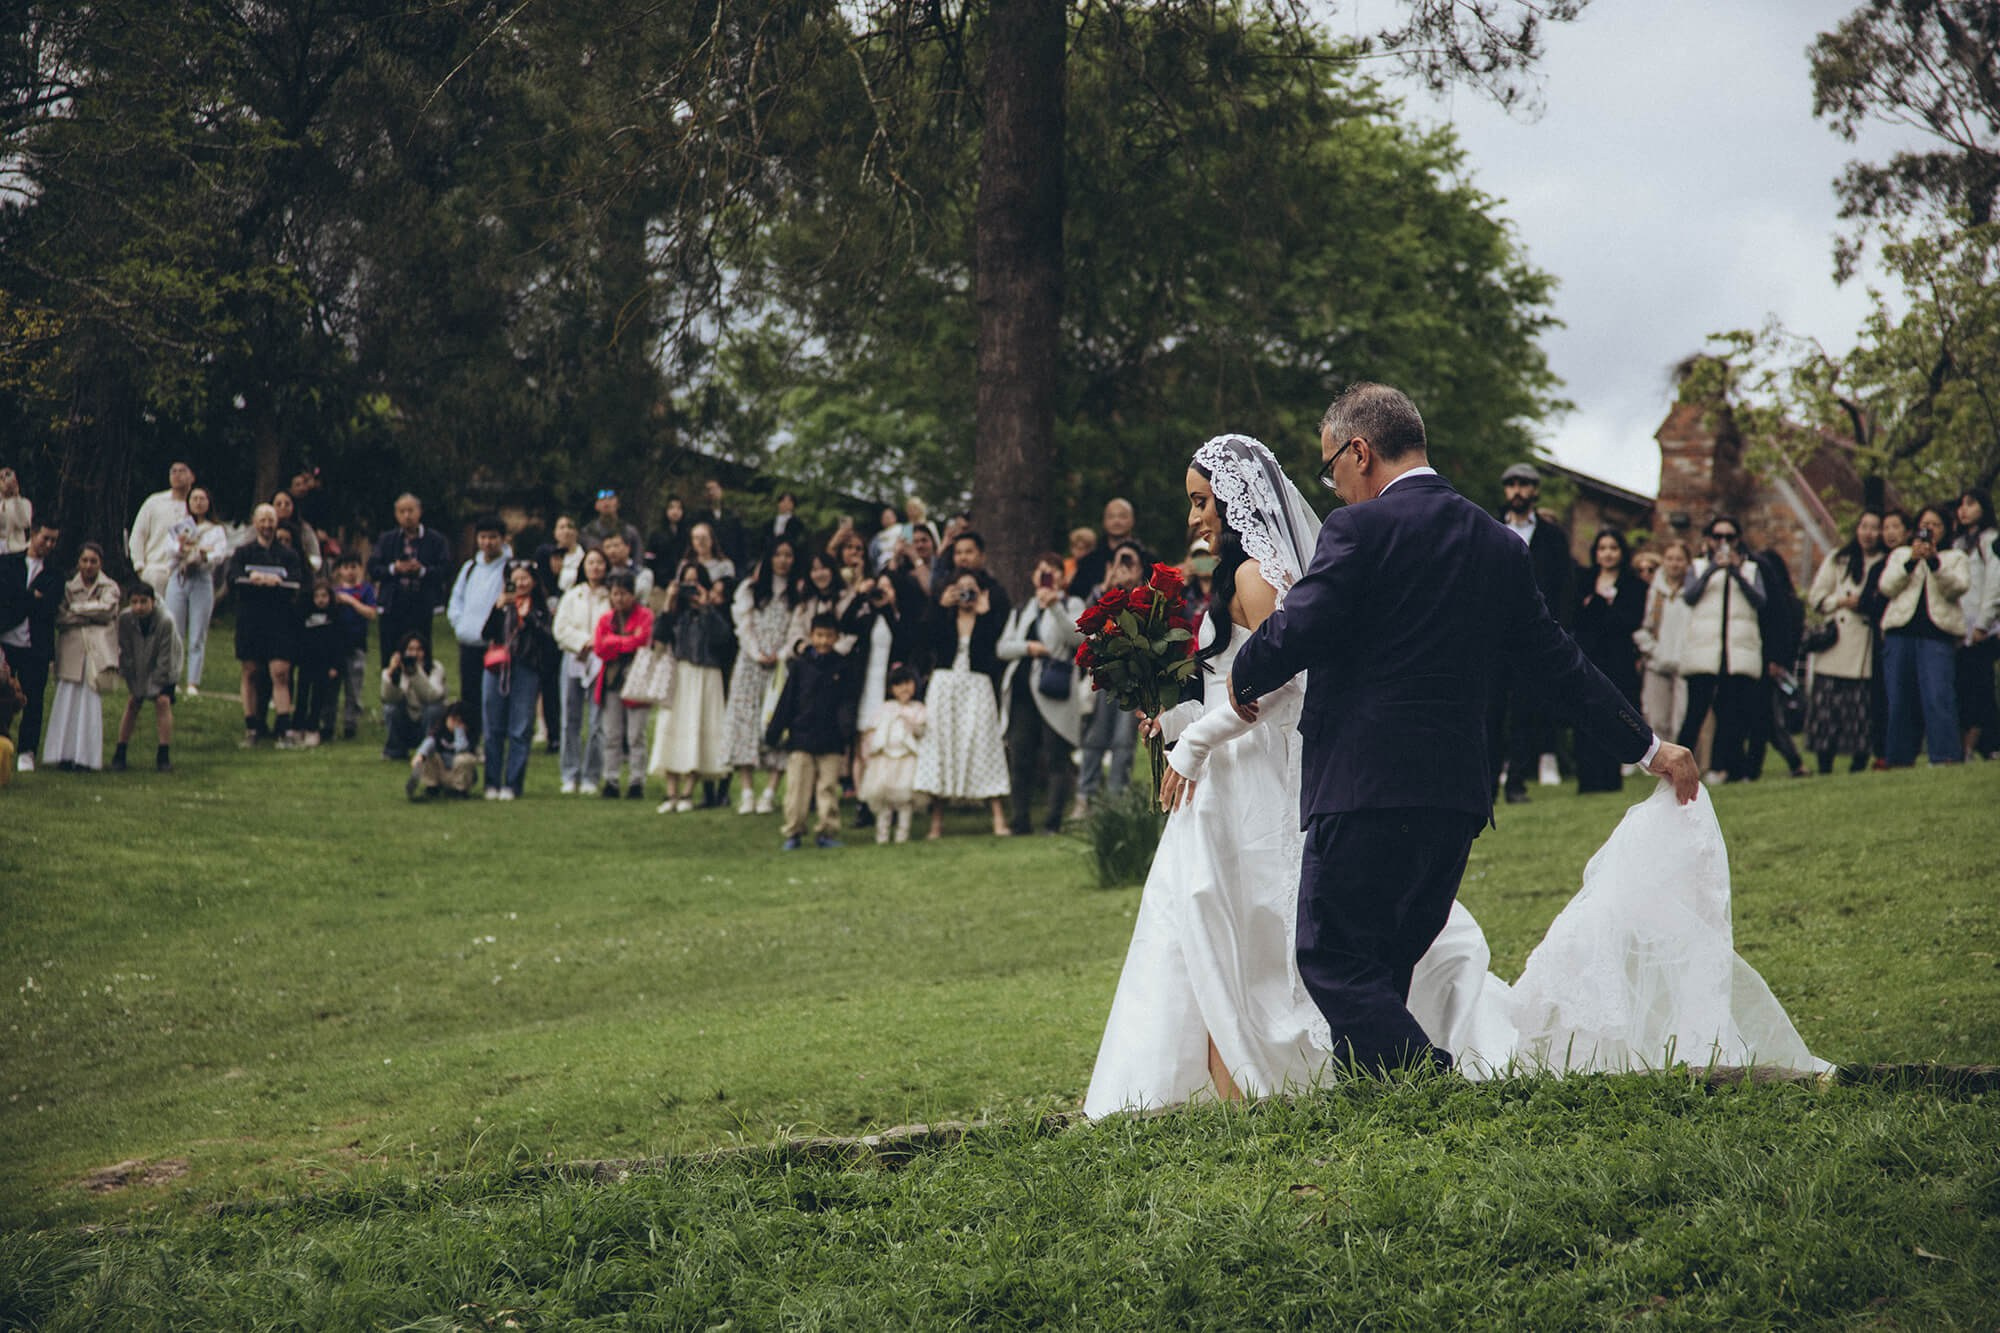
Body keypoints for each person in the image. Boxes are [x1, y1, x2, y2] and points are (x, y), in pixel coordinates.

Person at [1085, 411, 1814, 1120]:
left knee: (1330, 957)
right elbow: (1557, 663)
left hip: (1361, 787)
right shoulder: (1496, 542)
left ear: (1359, 452)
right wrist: (1648, 745)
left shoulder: (1356, 529)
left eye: (1332, 468)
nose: (1333, 488)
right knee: (1387, 965)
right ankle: (1379, 1104)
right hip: (1456, 796)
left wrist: (1238, 679)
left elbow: (1297, 631)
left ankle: (1434, 1094)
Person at [1486, 461, 1572, 803]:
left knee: (1526, 712)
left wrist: (1558, 631)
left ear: (1535, 490)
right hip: (1493, 636)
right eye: (1512, 484)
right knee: (1490, 713)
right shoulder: (1490, 527)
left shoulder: (1552, 537)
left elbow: (1564, 587)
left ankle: (1517, 783)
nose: (1517, 491)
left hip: (1534, 635)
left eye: (1524, 484)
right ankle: (1488, 784)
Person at [914, 565, 1011, 838]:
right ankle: (936, 822)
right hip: (945, 687)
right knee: (942, 746)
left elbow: (993, 650)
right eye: (961, 589)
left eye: (972, 589)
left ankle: (998, 819)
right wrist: (938, 606)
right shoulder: (943, 617)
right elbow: (924, 640)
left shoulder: (988, 618)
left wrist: (985, 613)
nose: (966, 594)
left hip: (977, 686)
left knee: (985, 744)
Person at [996, 552, 1085, 835]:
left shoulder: (1072, 604)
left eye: (1053, 570)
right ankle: (1020, 821)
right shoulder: (1022, 609)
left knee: (1057, 757)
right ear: (1034, 577)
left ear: (1062, 576)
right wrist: (1028, 648)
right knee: (1020, 756)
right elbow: (1003, 648)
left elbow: (1078, 638)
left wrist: (1055, 606)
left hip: (1054, 690)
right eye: (1041, 571)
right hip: (1022, 693)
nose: (1046, 575)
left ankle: (1053, 822)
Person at [1876, 504, 1970, 767]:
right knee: (1899, 698)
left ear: (1946, 529)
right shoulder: (1900, 555)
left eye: (1935, 525)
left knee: (1937, 695)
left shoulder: (1955, 558)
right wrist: (1911, 562)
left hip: (1936, 635)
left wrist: (1934, 562)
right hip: (1900, 632)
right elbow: (1886, 586)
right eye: (1924, 525)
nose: (1929, 530)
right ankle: (1898, 758)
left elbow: (1957, 587)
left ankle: (1944, 755)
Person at [1674, 516, 1765, 784]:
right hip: (1705, 650)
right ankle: (1676, 767)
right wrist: (1713, 569)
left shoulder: (1750, 569)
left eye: (1729, 537)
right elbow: (1689, 595)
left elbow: (1760, 600)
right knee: (1695, 712)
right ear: (1708, 539)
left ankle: (1723, 767)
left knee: (1731, 714)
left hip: (1735, 653)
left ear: (1738, 539)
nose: (1723, 542)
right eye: (1717, 536)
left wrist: (1736, 572)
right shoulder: (1698, 566)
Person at [765, 612, 857, 849]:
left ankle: (827, 831)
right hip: (802, 736)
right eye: (819, 635)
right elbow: (787, 701)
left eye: (829, 636)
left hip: (831, 738)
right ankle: (793, 831)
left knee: (827, 788)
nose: (823, 641)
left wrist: (846, 731)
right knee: (797, 788)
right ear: (811, 636)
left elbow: (848, 702)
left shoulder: (843, 667)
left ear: (837, 637)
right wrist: (775, 731)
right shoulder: (800, 666)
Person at [1804, 512, 1884, 774]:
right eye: (1864, 527)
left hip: (1865, 645)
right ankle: (1824, 764)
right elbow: (1816, 596)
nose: (1868, 533)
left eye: (1875, 528)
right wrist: (1841, 601)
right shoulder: (1839, 559)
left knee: (1859, 711)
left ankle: (1859, 762)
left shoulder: (1884, 562)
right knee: (1827, 711)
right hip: (1836, 642)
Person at [1569, 530, 1648, 793]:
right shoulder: (1583, 580)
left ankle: (1610, 778)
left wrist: (1598, 606)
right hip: (1588, 658)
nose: (1608, 554)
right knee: (1586, 715)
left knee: (1614, 715)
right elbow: (1576, 617)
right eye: (1602, 548)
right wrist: (1601, 607)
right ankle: (1586, 779)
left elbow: (1627, 620)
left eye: (1613, 548)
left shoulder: (1633, 584)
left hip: (1618, 660)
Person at [651, 560, 734, 811]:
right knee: (671, 727)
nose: (691, 587)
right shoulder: (677, 613)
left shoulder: (715, 611)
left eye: (695, 581)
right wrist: (669, 602)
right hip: (681, 673)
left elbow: (723, 639)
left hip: (707, 675)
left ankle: (688, 792)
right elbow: (659, 635)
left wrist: (706, 607)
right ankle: (671, 793)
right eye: (686, 581)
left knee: (698, 729)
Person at [723, 540, 797, 814]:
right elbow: (743, 626)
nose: (783, 560)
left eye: (788, 555)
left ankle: (770, 792)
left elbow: (797, 629)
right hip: (751, 663)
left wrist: (782, 654)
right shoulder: (750, 589)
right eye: (778, 554)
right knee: (745, 722)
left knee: (777, 725)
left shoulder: (796, 593)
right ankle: (746, 792)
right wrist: (757, 652)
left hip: (781, 666)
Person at [1073, 539, 1145, 816]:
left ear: (1140, 569)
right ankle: (1085, 797)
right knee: (1094, 737)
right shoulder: (1100, 593)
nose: (1124, 568)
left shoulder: (1146, 597)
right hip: (1103, 677)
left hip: (1133, 678)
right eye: (1119, 561)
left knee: (1123, 740)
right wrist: (1107, 585)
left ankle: (1116, 802)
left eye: (1130, 562)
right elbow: (1085, 621)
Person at [229, 504, 305, 749]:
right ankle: (252, 727)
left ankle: (284, 728)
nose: (267, 525)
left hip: (279, 620)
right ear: (255, 523)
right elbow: (233, 578)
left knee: (280, 672)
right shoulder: (243, 553)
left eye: (270, 520)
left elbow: (297, 579)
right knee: (250, 672)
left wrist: (278, 580)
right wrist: (252, 578)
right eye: (262, 520)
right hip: (250, 620)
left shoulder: (289, 555)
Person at [478, 561, 555, 799]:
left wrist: (528, 617)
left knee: (520, 728)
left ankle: (512, 784)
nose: (520, 584)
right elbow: (486, 633)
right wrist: (498, 608)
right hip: (497, 668)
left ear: (533, 582)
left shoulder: (539, 608)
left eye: (525, 579)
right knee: (493, 727)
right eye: (515, 579)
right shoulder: (502, 605)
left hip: (526, 668)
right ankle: (491, 782)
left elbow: (548, 638)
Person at [44, 543, 121, 770]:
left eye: (93, 561)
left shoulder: (110, 586)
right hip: (71, 650)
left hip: (96, 652)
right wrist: (91, 614)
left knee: (89, 703)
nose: (88, 565)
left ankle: (86, 758)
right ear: (78, 562)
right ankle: (62, 754)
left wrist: (77, 609)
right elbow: (61, 617)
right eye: (85, 560)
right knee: (67, 701)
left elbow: (107, 610)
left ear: (100, 563)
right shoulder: (69, 587)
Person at [1744, 529, 1810, 780]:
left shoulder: (1784, 604)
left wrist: (1777, 661)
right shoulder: (1789, 602)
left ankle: (1762, 767)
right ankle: (1789, 763)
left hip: (1771, 665)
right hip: (1769, 663)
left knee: (1766, 720)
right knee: (1765, 719)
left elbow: (1787, 634)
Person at [0, 522, 60, 771]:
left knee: (33, 699)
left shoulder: (55, 574)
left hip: (35, 646)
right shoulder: (8, 563)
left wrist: (20, 599)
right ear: (33, 534)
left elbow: (48, 608)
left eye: (53, 541)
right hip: (6, 642)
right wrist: (30, 597)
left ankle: (27, 750)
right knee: (2, 696)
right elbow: (4, 599)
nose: (49, 544)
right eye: (45, 538)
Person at [590, 569, 654, 799]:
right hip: (612, 681)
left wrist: (614, 641)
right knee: (612, 734)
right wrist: (627, 640)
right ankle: (611, 779)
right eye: (615, 593)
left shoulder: (645, 616)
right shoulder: (605, 619)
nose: (619, 598)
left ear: (633, 595)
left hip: (637, 680)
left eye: (624, 594)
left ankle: (637, 780)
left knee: (636, 734)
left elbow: (642, 641)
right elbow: (600, 648)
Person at [552, 547, 611, 794]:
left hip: (601, 660)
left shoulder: (610, 597)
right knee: (570, 718)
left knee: (597, 721)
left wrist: (597, 644)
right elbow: (560, 628)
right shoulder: (572, 595)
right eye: (590, 563)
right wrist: (582, 642)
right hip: (574, 658)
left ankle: (591, 776)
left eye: (599, 563)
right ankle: (570, 773)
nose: (595, 567)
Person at [368, 494, 451, 667]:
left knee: (421, 651)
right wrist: (394, 569)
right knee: (390, 653)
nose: (407, 516)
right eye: (402, 511)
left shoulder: (435, 540)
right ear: (396, 514)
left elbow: (445, 569)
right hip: (393, 605)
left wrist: (422, 571)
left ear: (419, 512)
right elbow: (373, 568)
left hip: (421, 604)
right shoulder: (387, 539)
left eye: (410, 511)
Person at [446, 516, 512, 724]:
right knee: (469, 696)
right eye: (483, 537)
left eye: (493, 537)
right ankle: (470, 737)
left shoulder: (509, 568)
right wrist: (460, 625)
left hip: (494, 645)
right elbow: (456, 599)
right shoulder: (470, 567)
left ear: (503, 539)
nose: (487, 542)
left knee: (494, 697)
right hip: (468, 642)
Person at [164, 486, 228, 696]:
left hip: (201, 578)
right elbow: (169, 550)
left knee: (198, 632)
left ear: (209, 503)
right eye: (194, 499)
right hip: (179, 578)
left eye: (202, 499)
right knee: (175, 631)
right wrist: (182, 548)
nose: (198, 502)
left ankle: (193, 681)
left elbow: (219, 554)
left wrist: (202, 554)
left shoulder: (215, 530)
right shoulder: (179, 526)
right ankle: (173, 677)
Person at [111, 582, 181, 773]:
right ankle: (120, 751)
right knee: (133, 702)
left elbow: (166, 657)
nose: (139, 607)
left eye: (143, 602)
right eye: (134, 602)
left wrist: (154, 685)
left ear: (153, 602)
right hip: (138, 667)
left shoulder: (166, 621)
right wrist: (136, 683)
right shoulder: (125, 619)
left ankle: (163, 754)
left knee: (162, 702)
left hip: (166, 666)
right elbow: (125, 652)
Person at [1951, 489, 1999, 760]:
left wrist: (1984, 622)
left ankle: (1984, 745)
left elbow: (1995, 582)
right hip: (1959, 627)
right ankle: (1966, 747)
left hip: (1982, 629)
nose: (1964, 510)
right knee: (1962, 687)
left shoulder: (1990, 540)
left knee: (1981, 687)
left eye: (1970, 504)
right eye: (1961, 505)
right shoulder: (1958, 544)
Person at [858, 667, 926, 844]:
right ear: (891, 688)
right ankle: (882, 835)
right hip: (885, 759)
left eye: (908, 683)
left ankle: (902, 835)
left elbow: (922, 732)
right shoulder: (885, 708)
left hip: (907, 759)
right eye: (898, 685)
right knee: (884, 799)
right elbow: (871, 731)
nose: (904, 688)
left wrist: (911, 725)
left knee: (905, 799)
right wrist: (870, 752)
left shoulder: (918, 709)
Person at [1635, 539, 1692, 742]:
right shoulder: (1652, 591)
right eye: (1670, 558)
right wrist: (1654, 650)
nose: (1674, 564)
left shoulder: (1693, 591)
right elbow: (1641, 627)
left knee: (1681, 721)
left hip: (1685, 665)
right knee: (1657, 721)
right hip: (1657, 663)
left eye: (1679, 559)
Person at [288, 579, 344, 746]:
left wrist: (335, 666)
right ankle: (297, 727)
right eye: (317, 596)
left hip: (324, 664)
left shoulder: (335, 617)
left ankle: (313, 728)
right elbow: (298, 638)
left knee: (318, 698)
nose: (321, 600)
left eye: (324, 596)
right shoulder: (305, 615)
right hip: (306, 662)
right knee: (302, 695)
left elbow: (339, 643)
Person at [127, 461, 194, 599]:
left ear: (192, 477)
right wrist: (139, 566)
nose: (177, 475)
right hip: (155, 570)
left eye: (182, 471)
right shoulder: (154, 502)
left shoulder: (196, 505)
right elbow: (138, 534)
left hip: (186, 573)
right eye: (173, 471)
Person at [330, 553, 378, 739]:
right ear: (339, 571)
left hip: (356, 644)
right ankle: (328, 724)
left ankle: (350, 724)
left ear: (360, 569)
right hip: (335, 646)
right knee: (332, 686)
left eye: (353, 567)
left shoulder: (365, 590)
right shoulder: (333, 592)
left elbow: (371, 614)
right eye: (346, 567)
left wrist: (351, 601)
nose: (350, 572)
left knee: (354, 685)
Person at [380, 632, 448, 761]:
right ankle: (395, 750)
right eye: (410, 650)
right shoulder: (396, 670)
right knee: (390, 709)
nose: (415, 654)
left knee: (434, 709)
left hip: (427, 722)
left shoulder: (436, 668)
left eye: (419, 650)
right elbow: (389, 698)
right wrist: (392, 673)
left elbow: (432, 696)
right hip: (406, 722)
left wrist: (415, 673)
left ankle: (428, 751)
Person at [408, 701, 479, 800]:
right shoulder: (440, 730)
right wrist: (420, 755)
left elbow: (461, 749)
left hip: (458, 775)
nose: (454, 723)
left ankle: (459, 791)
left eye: (459, 721)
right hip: (441, 772)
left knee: (465, 759)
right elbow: (429, 741)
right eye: (452, 719)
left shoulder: (468, 737)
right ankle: (432, 787)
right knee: (429, 755)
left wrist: (459, 732)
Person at [1067, 498, 1136, 600]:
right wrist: (1102, 588)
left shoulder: (1146, 559)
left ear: (1133, 520)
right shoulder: (1089, 561)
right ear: (1104, 521)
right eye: (1111, 516)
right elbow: (1076, 598)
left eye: (1122, 516)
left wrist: (1136, 585)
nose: (1116, 521)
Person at [693, 478, 747, 570]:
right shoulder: (700, 516)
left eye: (714, 489)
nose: (711, 492)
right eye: (708, 490)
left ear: (721, 491)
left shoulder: (732, 516)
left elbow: (740, 542)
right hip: (708, 563)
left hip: (730, 561)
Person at [581, 487, 644, 557]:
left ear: (618, 504)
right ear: (596, 506)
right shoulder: (587, 533)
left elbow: (638, 558)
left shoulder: (630, 532)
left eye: (610, 499)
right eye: (602, 499)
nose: (606, 502)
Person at [271, 489, 321, 574]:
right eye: (279, 504)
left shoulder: (305, 529)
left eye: (287, 504)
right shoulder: (262, 527)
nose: (283, 507)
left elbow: (315, 558)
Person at [645, 496, 689, 591]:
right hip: (660, 582)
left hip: (681, 581)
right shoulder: (656, 533)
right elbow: (649, 558)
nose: (675, 511)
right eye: (671, 507)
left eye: (679, 508)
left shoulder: (686, 533)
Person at [684, 522, 736, 589]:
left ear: (712, 540)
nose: (700, 542)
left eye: (704, 538)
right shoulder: (684, 564)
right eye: (696, 538)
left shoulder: (725, 565)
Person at [0, 468, 30, 554]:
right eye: (2, 478)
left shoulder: (24, 503)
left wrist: (16, 496)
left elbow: (24, 524)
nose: (5, 481)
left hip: (15, 550)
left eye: (8, 476)